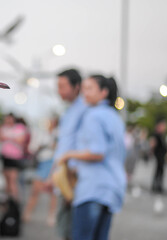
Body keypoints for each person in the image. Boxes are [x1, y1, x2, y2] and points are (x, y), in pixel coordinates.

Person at [58, 75, 126, 240]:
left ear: (103, 92)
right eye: (83, 88)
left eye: (89, 89)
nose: (84, 93)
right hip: (111, 188)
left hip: (92, 188)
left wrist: (68, 154)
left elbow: (97, 152)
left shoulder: (93, 116)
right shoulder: (114, 116)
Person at [47, 69, 86, 240]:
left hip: (73, 176)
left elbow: (81, 146)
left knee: (70, 227)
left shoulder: (85, 110)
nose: (59, 91)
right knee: (64, 225)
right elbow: (64, 146)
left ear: (77, 86)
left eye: (62, 86)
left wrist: (73, 181)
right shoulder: (68, 111)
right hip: (64, 175)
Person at [23, 117, 58, 226]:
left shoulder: (58, 134)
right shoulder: (42, 134)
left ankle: (51, 215)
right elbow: (33, 148)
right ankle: (27, 213)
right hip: (42, 163)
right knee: (35, 190)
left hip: (53, 164)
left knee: (53, 192)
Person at [0, 113, 27, 200]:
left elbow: (21, 140)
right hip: (5, 156)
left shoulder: (19, 127)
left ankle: (15, 203)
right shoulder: (3, 128)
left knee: (13, 181)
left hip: (15, 157)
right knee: (6, 181)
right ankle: (8, 203)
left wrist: (8, 137)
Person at [150, 118, 167, 194]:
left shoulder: (162, 135)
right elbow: (152, 144)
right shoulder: (156, 135)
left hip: (162, 156)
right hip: (159, 156)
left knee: (160, 171)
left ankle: (158, 186)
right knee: (158, 171)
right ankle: (156, 186)